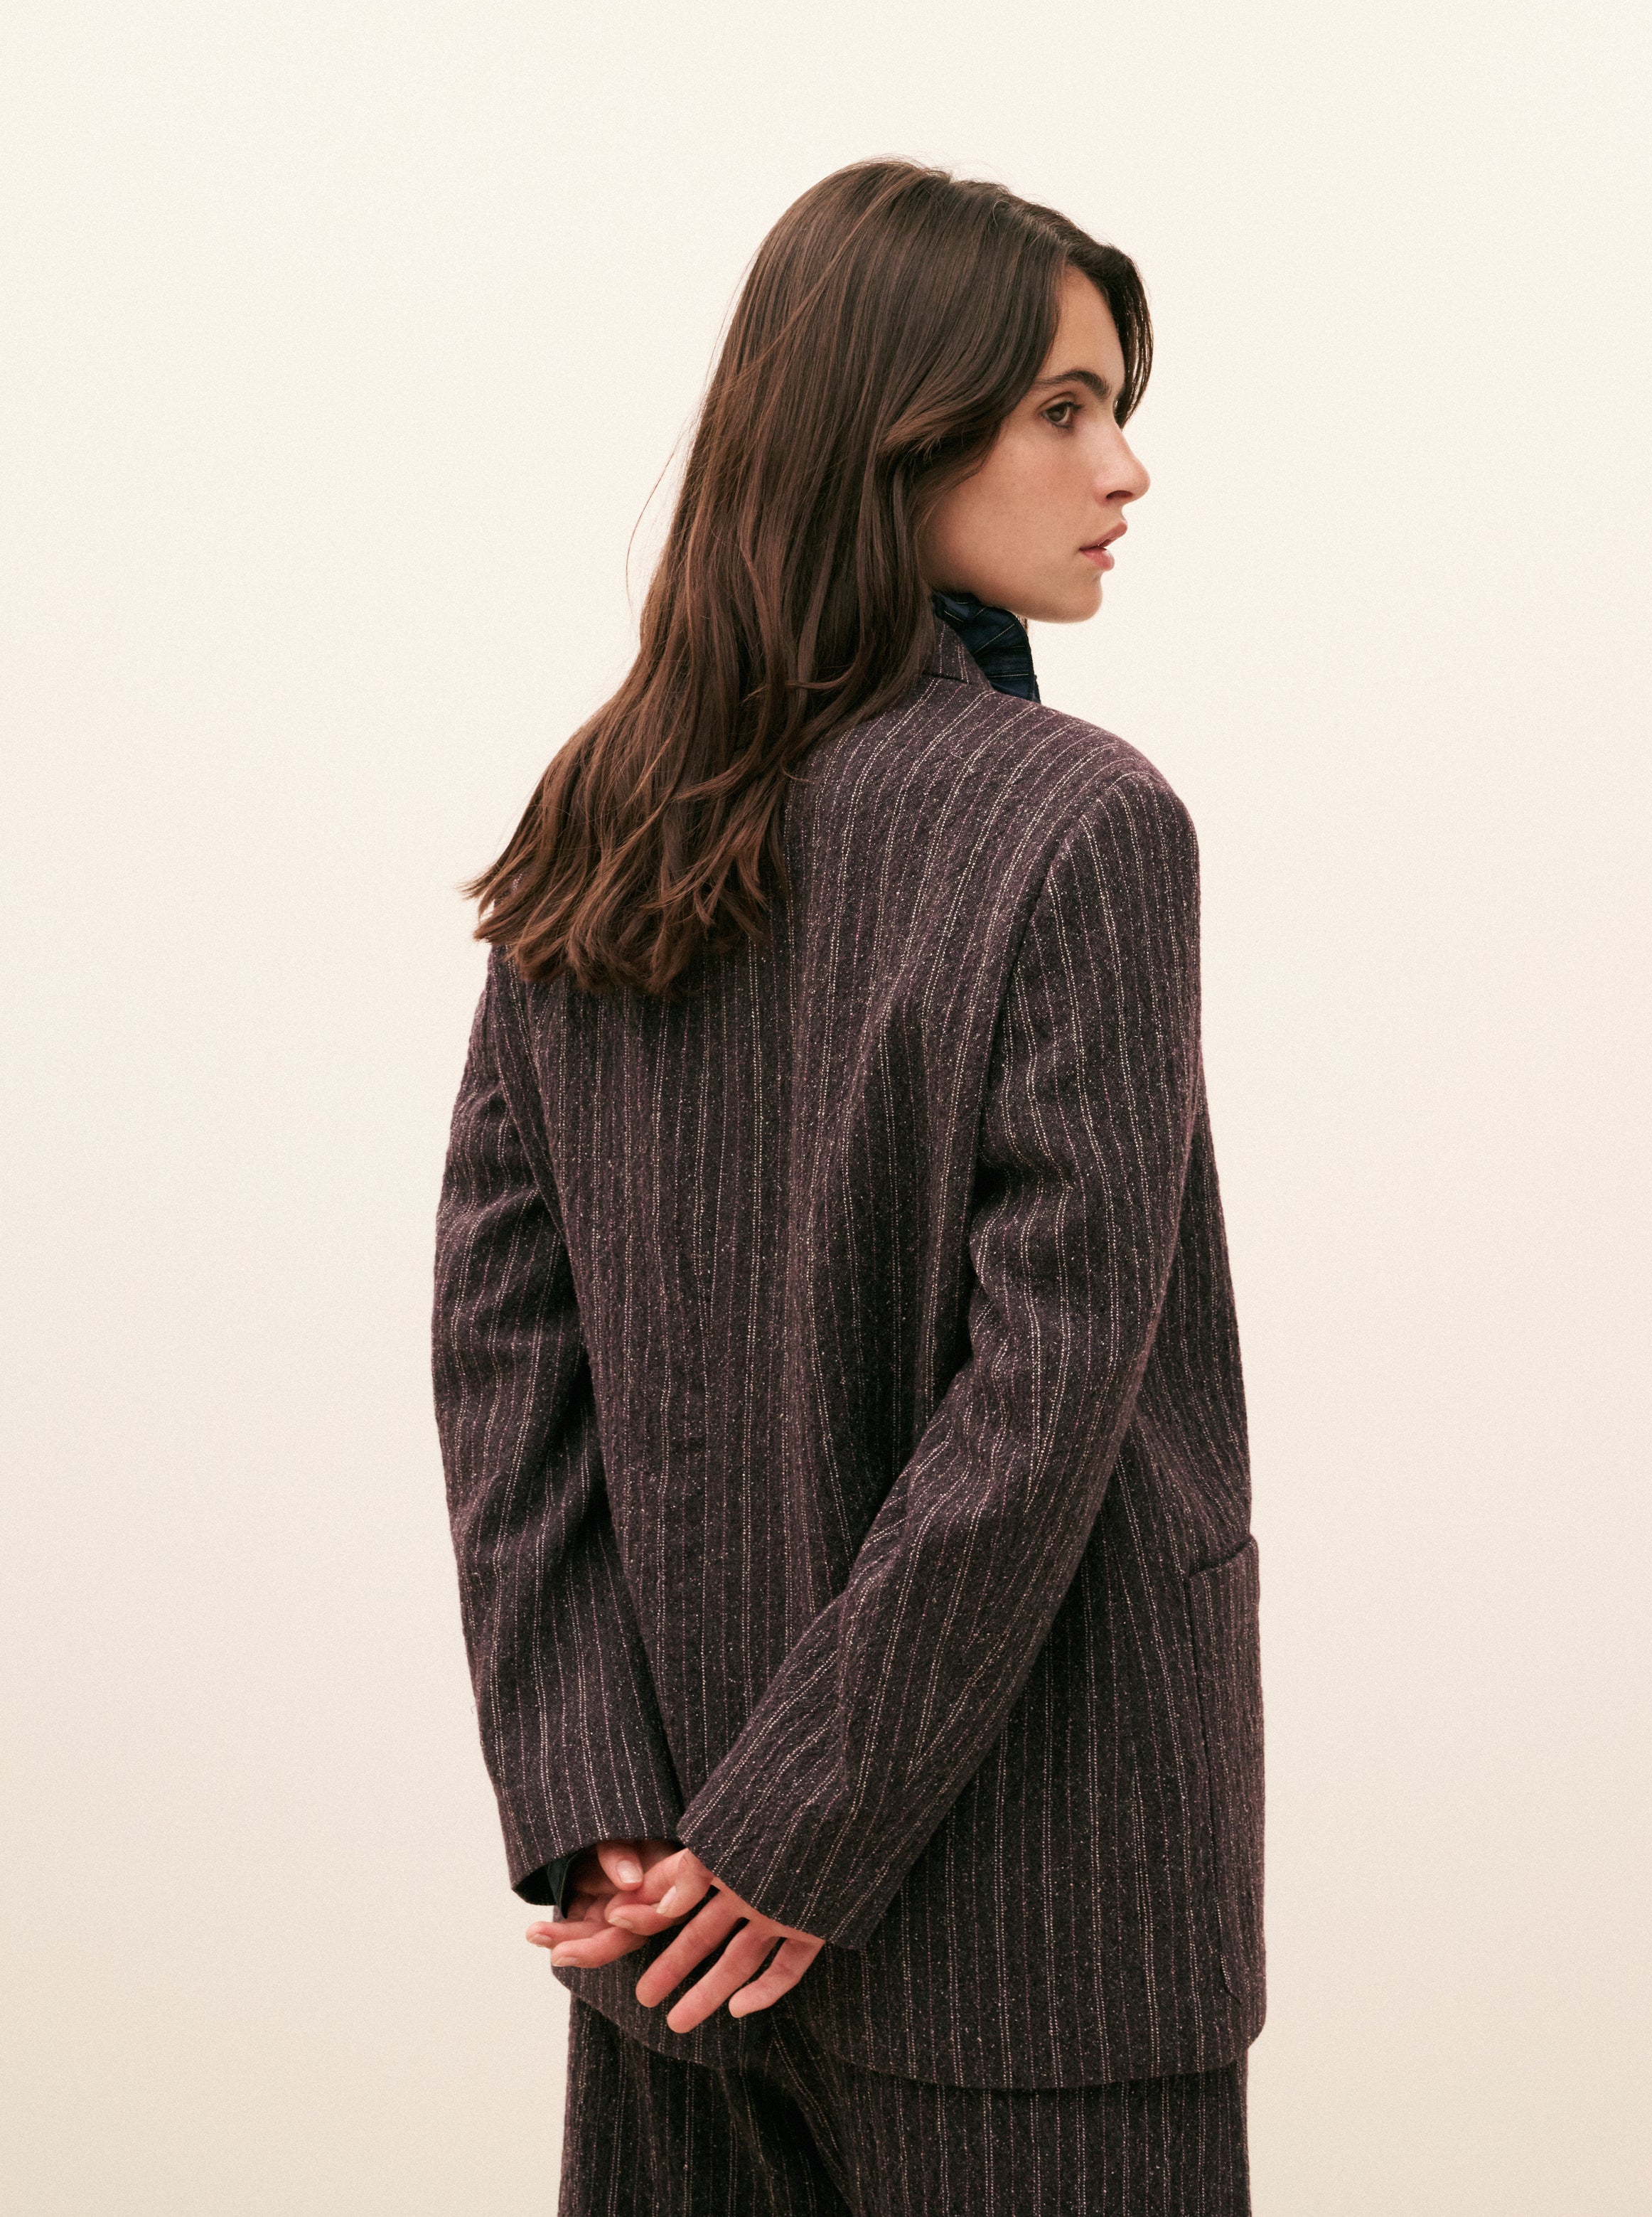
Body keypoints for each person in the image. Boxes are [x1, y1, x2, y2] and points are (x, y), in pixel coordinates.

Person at [431, 156, 1265, 2216]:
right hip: (1035, 1923)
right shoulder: (1082, 823)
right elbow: (1041, 1402)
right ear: (900, 430)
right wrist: (789, 1836)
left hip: (670, 1937)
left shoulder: (605, 808)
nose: (1125, 467)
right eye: (1063, 407)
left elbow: (500, 1362)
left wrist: (605, 1813)